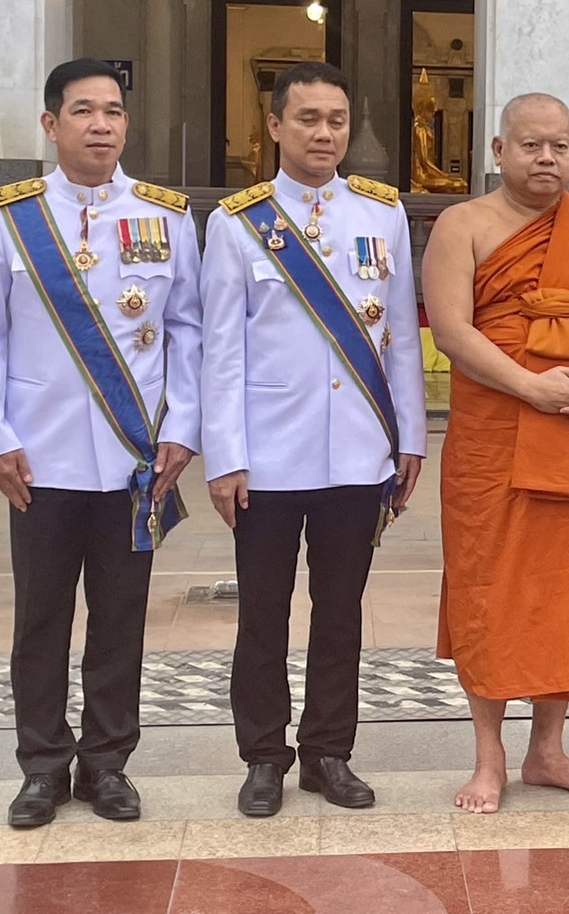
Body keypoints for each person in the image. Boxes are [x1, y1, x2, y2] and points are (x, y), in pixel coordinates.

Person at [0, 59, 202, 827]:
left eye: (112, 111)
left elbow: (188, 330)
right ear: (51, 125)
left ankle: (107, 765)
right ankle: (42, 767)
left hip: (133, 462)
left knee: (120, 620)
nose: (100, 124)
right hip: (37, 460)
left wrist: (182, 428)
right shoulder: (8, 217)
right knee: (40, 620)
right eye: (83, 111)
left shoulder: (167, 217)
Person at [201, 61, 427, 818]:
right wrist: (226, 457)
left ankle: (329, 752)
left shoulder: (382, 215)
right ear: (274, 126)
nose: (324, 133)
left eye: (336, 120)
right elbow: (221, 352)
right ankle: (264, 756)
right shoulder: (237, 223)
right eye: (307, 119)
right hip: (267, 459)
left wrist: (409, 438)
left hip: (357, 453)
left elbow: (400, 338)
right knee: (262, 616)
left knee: (341, 613)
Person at [425, 93, 569, 814]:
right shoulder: (462, 226)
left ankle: (548, 751)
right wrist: (531, 386)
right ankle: (488, 757)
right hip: (494, 438)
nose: (547, 159)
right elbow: (451, 331)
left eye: (560, 146)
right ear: (499, 151)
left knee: (567, 590)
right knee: (487, 589)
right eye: (531, 145)